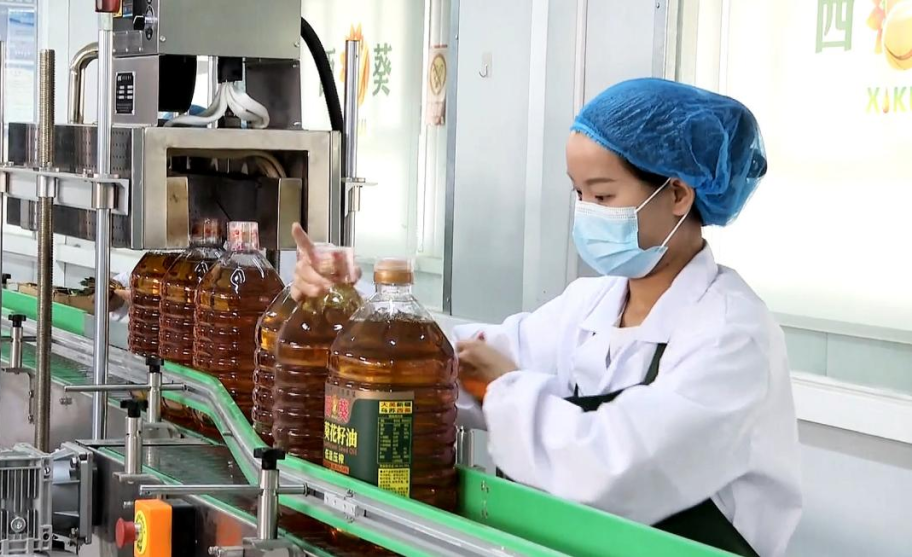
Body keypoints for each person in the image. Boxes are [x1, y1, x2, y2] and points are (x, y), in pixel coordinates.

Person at [289, 78, 801, 557]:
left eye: (603, 195)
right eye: (578, 193)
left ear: (678, 195)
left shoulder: (732, 336)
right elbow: (451, 360)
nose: (586, 211)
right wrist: (357, 308)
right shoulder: (591, 305)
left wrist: (502, 386)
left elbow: (616, 471)